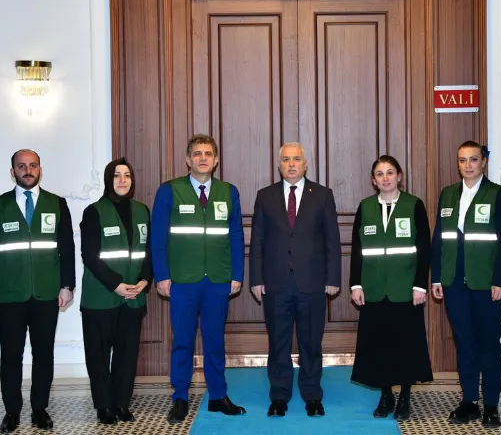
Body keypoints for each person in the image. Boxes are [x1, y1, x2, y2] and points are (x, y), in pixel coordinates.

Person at [0, 149, 76, 433]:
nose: (27, 170)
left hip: (46, 293)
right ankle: (12, 412)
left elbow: (67, 248)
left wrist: (67, 285)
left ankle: (39, 409)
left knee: (43, 354)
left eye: (33, 165)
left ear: (40, 170)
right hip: (9, 294)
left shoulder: (57, 204)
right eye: (21, 166)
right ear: (13, 172)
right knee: (11, 356)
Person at [150, 134, 247, 424]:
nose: (202, 158)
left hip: (217, 280)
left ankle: (218, 395)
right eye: (197, 153)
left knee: (215, 340)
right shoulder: (169, 191)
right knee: (183, 340)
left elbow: (236, 236)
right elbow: (158, 237)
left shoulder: (229, 192)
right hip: (182, 280)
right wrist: (162, 275)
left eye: (208, 154)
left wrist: (236, 275)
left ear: (216, 160)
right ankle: (180, 397)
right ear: (187, 159)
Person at [250, 142, 342, 417]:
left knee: (311, 342)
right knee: (278, 342)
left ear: (305, 164)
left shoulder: (323, 195)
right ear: (279, 165)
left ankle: (312, 395)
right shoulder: (265, 196)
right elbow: (257, 241)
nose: (291, 164)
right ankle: (279, 396)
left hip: (312, 282)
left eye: (296, 159)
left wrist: (333, 277)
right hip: (275, 283)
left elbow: (332, 240)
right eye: (286, 159)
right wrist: (256, 279)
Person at [431, 141, 501, 428]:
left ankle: (491, 405)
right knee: (464, 342)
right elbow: (439, 239)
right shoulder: (448, 194)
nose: (468, 165)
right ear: (458, 164)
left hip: (486, 283)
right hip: (454, 283)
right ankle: (469, 401)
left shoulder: (498, 194)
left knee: (488, 343)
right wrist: (437, 277)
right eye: (463, 160)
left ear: (483, 162)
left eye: (473, 159)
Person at [349, 155, 433, 421]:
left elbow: (424, 248)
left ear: (399, 176)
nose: (385, 178)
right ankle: (386, 395)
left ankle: (405, 395)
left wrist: (420, 285)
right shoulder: (365, 207)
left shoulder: (414, 205)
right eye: (379, 174)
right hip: (374, 290)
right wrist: (356, 284)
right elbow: (357, 250)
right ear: (373, 180)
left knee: (405, 345)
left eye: (389, 172)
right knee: (379, 345)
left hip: (405, 290)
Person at [79, 158, 152, 425]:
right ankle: (104, 406)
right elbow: (90, 255)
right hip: (101, 297)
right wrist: (116, 285)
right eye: (117, 175)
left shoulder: (142, 211)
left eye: (127, 175)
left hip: (133, 298)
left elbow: (149, 252)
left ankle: (121, 404)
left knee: (127, 354)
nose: (123, 180)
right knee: (98, 356)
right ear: (109, 180)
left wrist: (145, 281)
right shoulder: (94, 212)